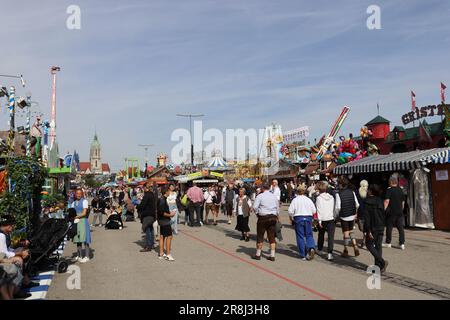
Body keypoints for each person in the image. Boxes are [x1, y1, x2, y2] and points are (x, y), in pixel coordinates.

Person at [363, 184, 388, 273]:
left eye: (368, 189)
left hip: (373, 226)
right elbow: (384, 213)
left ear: (371, 191)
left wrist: (368, 230)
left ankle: (382, 262)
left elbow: (367, 217)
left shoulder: (367, 201)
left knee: (369, 244)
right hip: (381, 225)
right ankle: (378, 267)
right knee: (378, 245)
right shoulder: (380, 200)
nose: (367, 191)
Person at [288, 184, 317, 261]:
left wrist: (291, 218)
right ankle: (311, 247)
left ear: (297, 191)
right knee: (309, 234)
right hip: (308, 217)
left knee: (300, 236)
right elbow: (314, 210)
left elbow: (290, 211)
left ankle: (303, 254)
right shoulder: (308, 199)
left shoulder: (295, 200)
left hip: (298, 217)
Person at [252, 184, 279, 261]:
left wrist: (257, 213)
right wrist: (276, 215)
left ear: (262, 188)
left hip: (263, 217)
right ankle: (272, 255)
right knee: (271, 236)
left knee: (260, 235)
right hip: (273, 217)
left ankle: (258, 254)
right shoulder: (273, 196)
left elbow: (254, 207)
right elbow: (277, 207)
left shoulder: (260, 196)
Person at [335, 176, 360, 258]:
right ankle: (355, 245)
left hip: (344, 215)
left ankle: (345, 250)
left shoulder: (338, 194)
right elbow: (357, 204)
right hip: (352, 214)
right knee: (351, 231)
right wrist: (355, 213)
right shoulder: (352, 192)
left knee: (345, 233)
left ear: (341, 185)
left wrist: (336, 215)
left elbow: (338, 207)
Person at [383, 176, 406, 250]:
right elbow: (403, 202)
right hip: (399, 212)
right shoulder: (400, 190)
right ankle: (402, 244)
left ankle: (388, 242)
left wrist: (383, 210)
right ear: (396, 182)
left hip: (391, 212)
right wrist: (401, 209)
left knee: (389, 227)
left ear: (390, 182)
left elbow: (387, 201)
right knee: (400, 228)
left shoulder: (389, 190)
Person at [315, 181, 336, 261]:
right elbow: (334, 208)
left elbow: (319, 209)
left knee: (321, 234)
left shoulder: (319, 198)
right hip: (331, 218)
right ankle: (330, 253)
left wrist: (319, 220)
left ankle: (320, 249)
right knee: (331, 237)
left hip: (323, 218)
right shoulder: (331, 197)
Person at [71, 189, 92, 263]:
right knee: (77, 239)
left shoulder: (84, 201)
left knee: (85, 238)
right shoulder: (73, 203)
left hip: (83, 221)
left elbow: (84, 213)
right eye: (77, 193)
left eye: (80, 193)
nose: (78, 195)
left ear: (82, 194)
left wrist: (75, 216)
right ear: (75, 194)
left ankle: (87, 256)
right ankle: (79, 255)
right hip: (76, 221)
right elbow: (72, 212)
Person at [137, 183, 157, 252]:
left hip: (147, 214)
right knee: (151, 229)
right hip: (152, 214)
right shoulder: (152, 194)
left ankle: (148, 246)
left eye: (143, 188)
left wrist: (137, 206)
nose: (143, 189)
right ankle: (151, 244)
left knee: (147, 229)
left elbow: (142, 205)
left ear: (146, 188)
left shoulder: (147, 195)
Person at [158, 186, 176, 261]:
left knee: (162, 236)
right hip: (164, 221)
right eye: (169, 191)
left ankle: (161, 253)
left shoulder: (162, 199)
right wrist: (170, 215)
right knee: (169, 236)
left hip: (161, 221)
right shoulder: (162, 200)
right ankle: (168, 254)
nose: (170, 193)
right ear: (166, 192)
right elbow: (162, 212)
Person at [356, 180, 369, 248]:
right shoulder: (369, 192)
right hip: (368, 213)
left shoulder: (357, 192)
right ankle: (365, 241)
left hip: (360, 213)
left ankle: (364, 242)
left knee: (363, 229)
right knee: (365, 229)